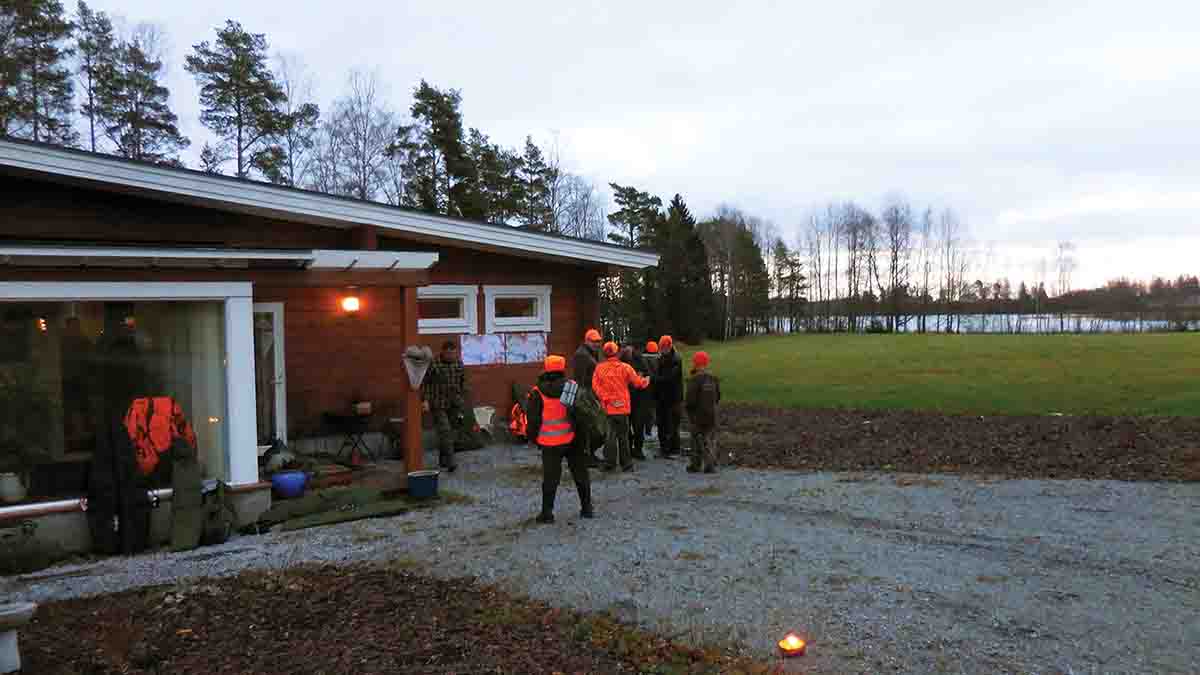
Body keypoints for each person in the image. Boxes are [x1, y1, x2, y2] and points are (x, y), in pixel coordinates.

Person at [527, 355, 593, 523]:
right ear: (562, 369)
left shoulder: (537, 392)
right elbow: (581, 415)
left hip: (549, 443)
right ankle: (587, 509)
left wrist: (533, 439)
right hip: (572, 439)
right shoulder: (572, 387)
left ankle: (547, 514)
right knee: (580, 474)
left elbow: (533, 421)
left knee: (550, 479)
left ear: (545, 369)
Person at [592, 341, 649, 472]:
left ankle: (609, 463)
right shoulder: (625, 367)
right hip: (623, 408)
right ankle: (627, 464)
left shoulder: (599, 368)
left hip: (608, 408)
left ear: (604, 353)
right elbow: (638, 383)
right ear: (617, 352)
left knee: (610, 437)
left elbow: (595, 387)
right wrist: (646, 380)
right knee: (624, 437)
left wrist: (605, 398)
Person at [422, 340, 467, 473]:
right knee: (445, 431)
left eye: (453, 353)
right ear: (443, 352)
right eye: (448, 353)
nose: (451, 356)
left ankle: (443, 459)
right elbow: (424, 383)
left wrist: (462, 399)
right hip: (438, 403)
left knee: (450, 432)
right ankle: (451, 461)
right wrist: (424, 400)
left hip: (454, 404)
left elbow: (463, 383)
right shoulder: (434, 364)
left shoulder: (459, 364)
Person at [685, 351, 722, 473]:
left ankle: (695, 465)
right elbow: (718, 397)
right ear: (706, 363)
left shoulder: (694, 379)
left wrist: (689, 412)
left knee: (695, 440)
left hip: (697, 415)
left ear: (695, 363)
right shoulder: (714, 379)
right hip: (711, 414)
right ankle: (710, 465)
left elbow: (690, 401)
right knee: (709, 440)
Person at [572, 328, 604, 466]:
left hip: (591, 393)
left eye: (598, 341)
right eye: (594, 341)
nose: (597, 344)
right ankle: (586, 456)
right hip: (585, 394)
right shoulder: (582, 355)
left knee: (594, 426)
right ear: (587, 341)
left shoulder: (591, 353)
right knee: (591, 425)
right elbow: (581, 378)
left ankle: (589, 454)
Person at [654, 335, 684, 458]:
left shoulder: (675, 360)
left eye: (663, 347)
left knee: (671, 424)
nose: (661, 349)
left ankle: (673, 449)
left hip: (673, 398)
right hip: (664, 397)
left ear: (668, 346)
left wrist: (652, 378)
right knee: (663, 424)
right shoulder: (663, 358)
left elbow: (668, 378)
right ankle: (665, 449)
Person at [625, 344, 654, 460]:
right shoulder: (638, 361)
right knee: (633, 427)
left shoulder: (639, 361)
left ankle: (636, 449)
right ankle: (634, 449)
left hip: (637, 399)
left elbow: (648, 377)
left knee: (637, 426)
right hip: (631, 399)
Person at [641, 340, 661, 439]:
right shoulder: (660, 358)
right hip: (657, 386)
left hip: (645, 387)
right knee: (654, 409)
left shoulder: (642, 358)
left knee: (646, 409)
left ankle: (647, 430)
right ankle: (652, 430)